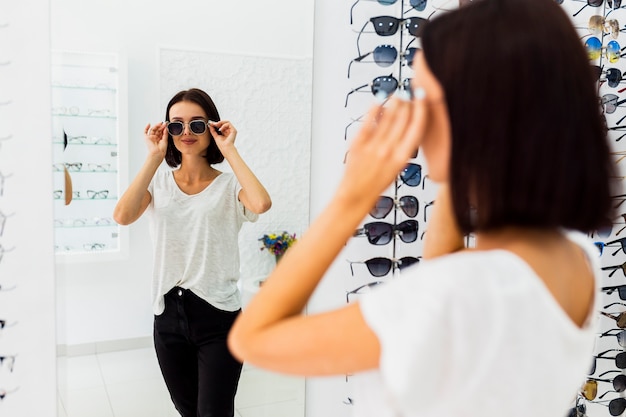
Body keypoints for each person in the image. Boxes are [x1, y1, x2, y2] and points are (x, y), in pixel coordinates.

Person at [227, 1, 616, 416]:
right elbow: (445, 265)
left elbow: (253, 338)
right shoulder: (575, 260)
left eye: (423, 99)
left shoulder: (450, 298)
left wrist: (352, 198)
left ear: (480, 118)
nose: (413, 120)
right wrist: (459, 162)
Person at [113, 88, 271, 417]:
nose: (186, 132)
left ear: (212, 129)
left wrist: (229, 150)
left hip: (219, 316)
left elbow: (260, 203)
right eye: (176, 125)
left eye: (197, 124)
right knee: (188, 411)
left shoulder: (229, 187)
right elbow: (122, 216)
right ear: (167, 131)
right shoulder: (158, 185)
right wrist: (153, 158)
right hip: (168, 316)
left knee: (213, 412)